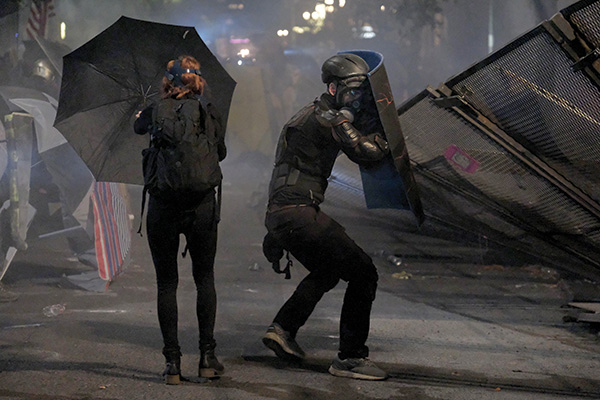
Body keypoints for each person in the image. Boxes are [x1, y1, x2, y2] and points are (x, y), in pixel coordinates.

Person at [261, 52, 390, 380]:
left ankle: (283, 328)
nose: (357, 98)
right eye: (352, 91)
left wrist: (274, 231)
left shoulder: (309, 112)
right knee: (363, 273)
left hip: (284, 214)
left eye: (362, 91)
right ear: (333, 89)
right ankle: (349, 359)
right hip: (298, 214)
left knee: (328, 269)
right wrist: (382, 136)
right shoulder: (326, 117)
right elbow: (367, 153)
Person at [134, 55, 226, 384]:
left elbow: (137, 128)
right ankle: (206, 356)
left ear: (167, 82)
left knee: (167, 284)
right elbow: (221, 152)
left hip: (163, 205)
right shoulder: (209, 111)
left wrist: (146, 110)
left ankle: (172, 362)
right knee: (204, 279)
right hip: (201, 205)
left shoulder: (154, 111)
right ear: (198, 81)